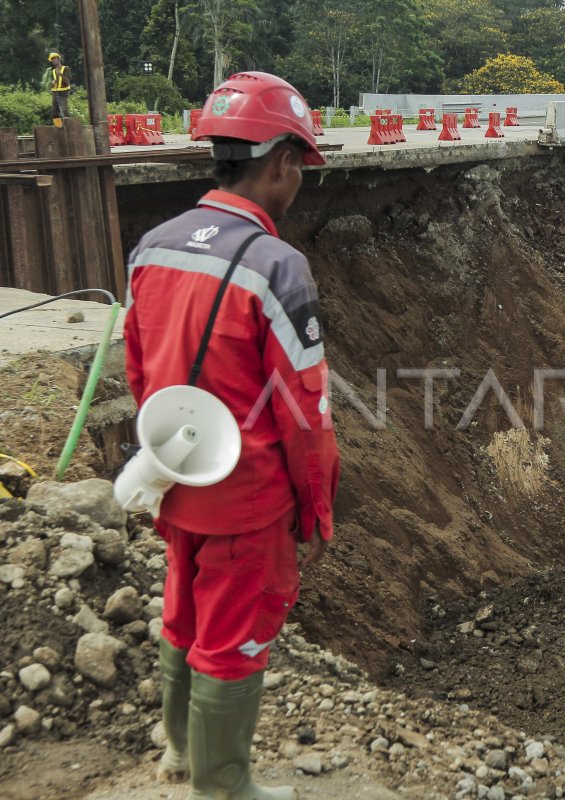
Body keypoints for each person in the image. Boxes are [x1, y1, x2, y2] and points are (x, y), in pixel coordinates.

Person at [123, 71, 338, 800]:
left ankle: (179, 756)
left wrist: (162, 457)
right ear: (279, 162)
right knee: (234, 636)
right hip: (247, 502)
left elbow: (138, 370)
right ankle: (222, 787)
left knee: (182, 614)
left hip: (177, 474)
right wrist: (315, 507)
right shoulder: (278, 267)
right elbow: (305, 416)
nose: (299, 181)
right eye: (300, 167)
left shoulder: (153, 246)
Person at [46, 52, 71, 126]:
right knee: (54, 112)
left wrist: (60, 74)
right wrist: (53, 83)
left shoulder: (65, 68)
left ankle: (69, 126)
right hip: (55, 92)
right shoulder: (53, 71)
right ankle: (58, 127)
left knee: (64, 110)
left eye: (54, 58)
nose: (53, 60)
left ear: (58, 59)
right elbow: (53, 82)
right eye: (52, 59)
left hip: (63, 92)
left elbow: (68, 81)